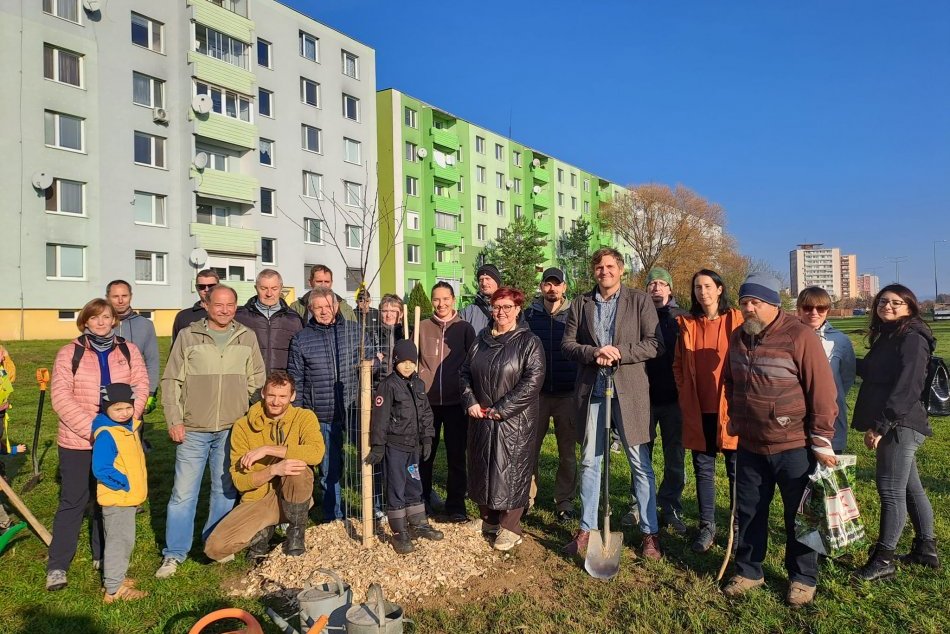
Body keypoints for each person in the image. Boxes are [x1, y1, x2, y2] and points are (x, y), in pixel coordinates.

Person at [722, 273, 838, 607]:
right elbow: (730, 379)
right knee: (750, 510)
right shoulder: (738, 336)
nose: (749, 309)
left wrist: (821, 438)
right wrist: (736, 416)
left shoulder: (800, 336)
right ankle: (749, 570)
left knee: (800, 515)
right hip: (750, 444)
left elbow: (823, 390)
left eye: (755, 302)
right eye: (744, 302)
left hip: (794, 445)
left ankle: (802, 578)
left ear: (773, 303)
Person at [156, 285, 265, 579]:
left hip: (232, 428)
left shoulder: (246, 337)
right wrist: (174, 420)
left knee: (224, 490)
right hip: (192, 428)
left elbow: (257, 381)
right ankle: (174, 553)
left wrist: (251, 421)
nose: (225, 310)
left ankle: (216, 544)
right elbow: (171, 381)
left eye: (230, 305)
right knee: (183, 493)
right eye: (219, 305)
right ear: (206, 305)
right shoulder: (188, 336)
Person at [562, 248, 664, 560]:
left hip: (629, 390)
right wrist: (594, 353)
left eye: (610, 266)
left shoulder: (639, 300)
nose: (604, 271)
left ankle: (650, 533)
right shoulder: (581, 303)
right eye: (599, 267)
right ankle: (586, 528)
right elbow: (567, 344)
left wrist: (618, 351)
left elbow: (655, 344)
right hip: (592, 389)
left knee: (639, 461)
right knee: (591, 461)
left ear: (620, 270)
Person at [47, 299, 148, 591]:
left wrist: (125, 421)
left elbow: (141, 385)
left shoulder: (128, 350)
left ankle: (102, 555)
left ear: (114, 320)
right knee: (74, 499)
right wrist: (95, 429)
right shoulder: (70, 353)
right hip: (78, 440)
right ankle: (57, 565)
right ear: (85, 322)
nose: (102, 322)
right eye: (95, 318)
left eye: (106, 317)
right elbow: (61, 397)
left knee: (107, 497)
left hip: (119, 440)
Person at [852, 285, 939, 580]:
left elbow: (908, 386)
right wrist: (842, 358)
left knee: (890, 490)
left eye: (896, 302)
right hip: (898, 423)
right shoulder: (891, 335)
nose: (887, 306)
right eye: (883, 301)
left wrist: (881, 425)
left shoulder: (912, 338)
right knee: (910, 487)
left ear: (910, 307)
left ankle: (884, 559)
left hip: (899, 424)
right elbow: (877, 372)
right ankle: (926, 549)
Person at [205, 371, 325, 562]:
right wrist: (273, 470)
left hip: (292, 493)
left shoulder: (304, 418)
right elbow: (240, 482)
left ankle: (295, 534)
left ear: (292, 396)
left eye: (282, 396)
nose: (276, 402)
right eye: (271, 396)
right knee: (214, 548)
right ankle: (265, 527)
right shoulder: (243, 426)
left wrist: (268, 449)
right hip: (258, 498)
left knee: (296, 468)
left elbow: (316, 454)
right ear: (263, 393)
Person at [461, 287, 545, 551]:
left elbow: (533, 381)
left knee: (512, 471)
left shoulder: (528, 342)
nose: (501, 312)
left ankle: (510, 527)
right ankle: (488, 520)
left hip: (514, 421)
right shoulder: (480, 340)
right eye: (497, 307)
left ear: (518, 309)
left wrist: (503, 408)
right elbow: (464, 373)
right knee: (483, 467)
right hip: (482, 417)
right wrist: (471, 401)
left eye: (508, 307)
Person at [672, 269, 743, 553]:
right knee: (704, 469)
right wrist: (684, 390)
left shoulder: (735, 320)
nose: (703, 292)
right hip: (698, 407)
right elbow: (678, 364)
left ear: (720, 289)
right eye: (697, 287)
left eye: (708, 286)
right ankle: (707, 526)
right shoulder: (688, 324)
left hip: (731, 408)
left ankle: (737, 528)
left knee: (736, 470)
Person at [287, 287, 363, 522]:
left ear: (337, 306)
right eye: (317, 307)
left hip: (354, 410)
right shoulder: (301, 339)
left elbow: (371, 365)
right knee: (329, 469)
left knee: (369, 461)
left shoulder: (354, 331)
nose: (324, 311)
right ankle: (334, 516)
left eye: (328, 306)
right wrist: (298, 417)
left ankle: (375, 509)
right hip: (321, 414)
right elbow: (296, 379)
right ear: (310, 310)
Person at [366, 340, 442, 554]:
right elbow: (379, 419)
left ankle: (418, 524)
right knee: (397, 487)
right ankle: (400, 532)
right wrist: (378, 446)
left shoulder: (418, 385)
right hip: (395, 446)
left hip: (413, 447)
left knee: (414, 484)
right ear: (395, 361)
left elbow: (426, 413)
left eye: (412, 361)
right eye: (403, 361)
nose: (408, 366)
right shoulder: (388, 386)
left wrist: (427, 438)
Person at [417, 282, 476, 521]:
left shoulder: (464, 328)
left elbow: (472, 363)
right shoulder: (422, 327)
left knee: (456, 455)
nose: (441, 304)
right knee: (425, 454)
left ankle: (456, 505)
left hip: (455, 402)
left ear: (453, 299)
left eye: (445, 299)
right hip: (428, 402)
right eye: (436, 299)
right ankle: (422, 499)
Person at [636, 268, 689, 536]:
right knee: (640, 456)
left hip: (674, 400)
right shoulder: (636, 317)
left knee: (674, 457)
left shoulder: (682, 320)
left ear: (669, 289)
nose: (656, 288)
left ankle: (671, 507)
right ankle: (639, 505)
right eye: (651, 284)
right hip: (643, 398)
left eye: (661, 284)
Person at [524, 267, 578, 524]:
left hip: (568, 393)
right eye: (548, 284)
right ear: (542, 287)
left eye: (557, 285)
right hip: (538, 394)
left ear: (564, 288)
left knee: (566, 451)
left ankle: (564, 501)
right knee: (530, 448)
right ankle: (527, 498)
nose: (552, 289)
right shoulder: (530, 316)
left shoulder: (575, 316)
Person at [91, 384, 148, 603]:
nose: (124, 412)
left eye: (128, 407)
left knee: (123, 540)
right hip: (118, 498)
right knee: (119, 542)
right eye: (118, 409)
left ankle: (117, 577)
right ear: (106, 409)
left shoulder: (127, 428)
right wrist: (123, 484)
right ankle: (114, 590)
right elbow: (101, 468)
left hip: (127, 498)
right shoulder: (108, 434)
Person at [796, 287, 856, 454]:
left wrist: (828, 396)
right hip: (795, 415)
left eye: (820, 308)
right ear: (799, 310)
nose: (814, 313)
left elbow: (847, 377)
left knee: (828, 471)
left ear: (828, 310)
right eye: (808, 308)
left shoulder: (840, 341)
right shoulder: (787, 336)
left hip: (830, 415)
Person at [107, 280, 160, 420]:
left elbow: (152, 360)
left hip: (135, 390)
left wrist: (150, 392)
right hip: (105, 390)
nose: (120, 300)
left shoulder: (145, 325)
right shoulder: (100, 323)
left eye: (124, 296)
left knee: (133, 437)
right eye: (115, 296)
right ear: (107, 297)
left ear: (131, 296)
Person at [235, 269, 304, 374]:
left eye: (274, 288)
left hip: (281, 384)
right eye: (263, 288)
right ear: (256, 288)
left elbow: (299, 358)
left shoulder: (294, 319)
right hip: (249, 382)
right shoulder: (240, 317)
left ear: (281, 288)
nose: (269, 293)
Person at [289, 264, 357, 322]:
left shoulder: (344, 307)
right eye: (319, 281)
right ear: (310, 282)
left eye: (327, 282)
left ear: (331, 283)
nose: (323, 285)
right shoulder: (296, 307)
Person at [172, 269, 220, 342]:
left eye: (211, 286)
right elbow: (176, 348)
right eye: (201, 286)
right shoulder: (183, 316)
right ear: (197, 288)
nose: (206, 289)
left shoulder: (230, 313)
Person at [459, 264, 501, 335]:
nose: (484, 283)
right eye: (481, 280)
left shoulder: (509, 307)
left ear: (496, 282)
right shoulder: (468, 312)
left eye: (487, 279)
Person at [375, 294, 406, 377]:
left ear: (401, 314)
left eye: (393, 311)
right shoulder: (372, 336)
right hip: (378, 386)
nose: (388, 315)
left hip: (402, 386)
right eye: (384, 311)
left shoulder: (407, 334)